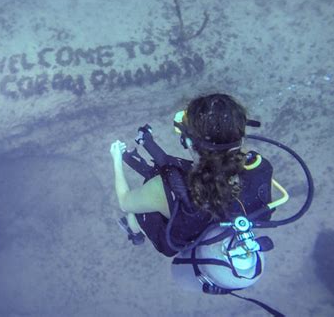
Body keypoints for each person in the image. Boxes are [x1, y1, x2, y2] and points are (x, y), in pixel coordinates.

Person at [110, 93, 275, 255]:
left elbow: (124, 202)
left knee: (134, 212)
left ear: (188, 141)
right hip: (219, 231)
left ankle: (136, 234)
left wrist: (116, 159)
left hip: (179, 238)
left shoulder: (163, 188)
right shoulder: (260, 168)